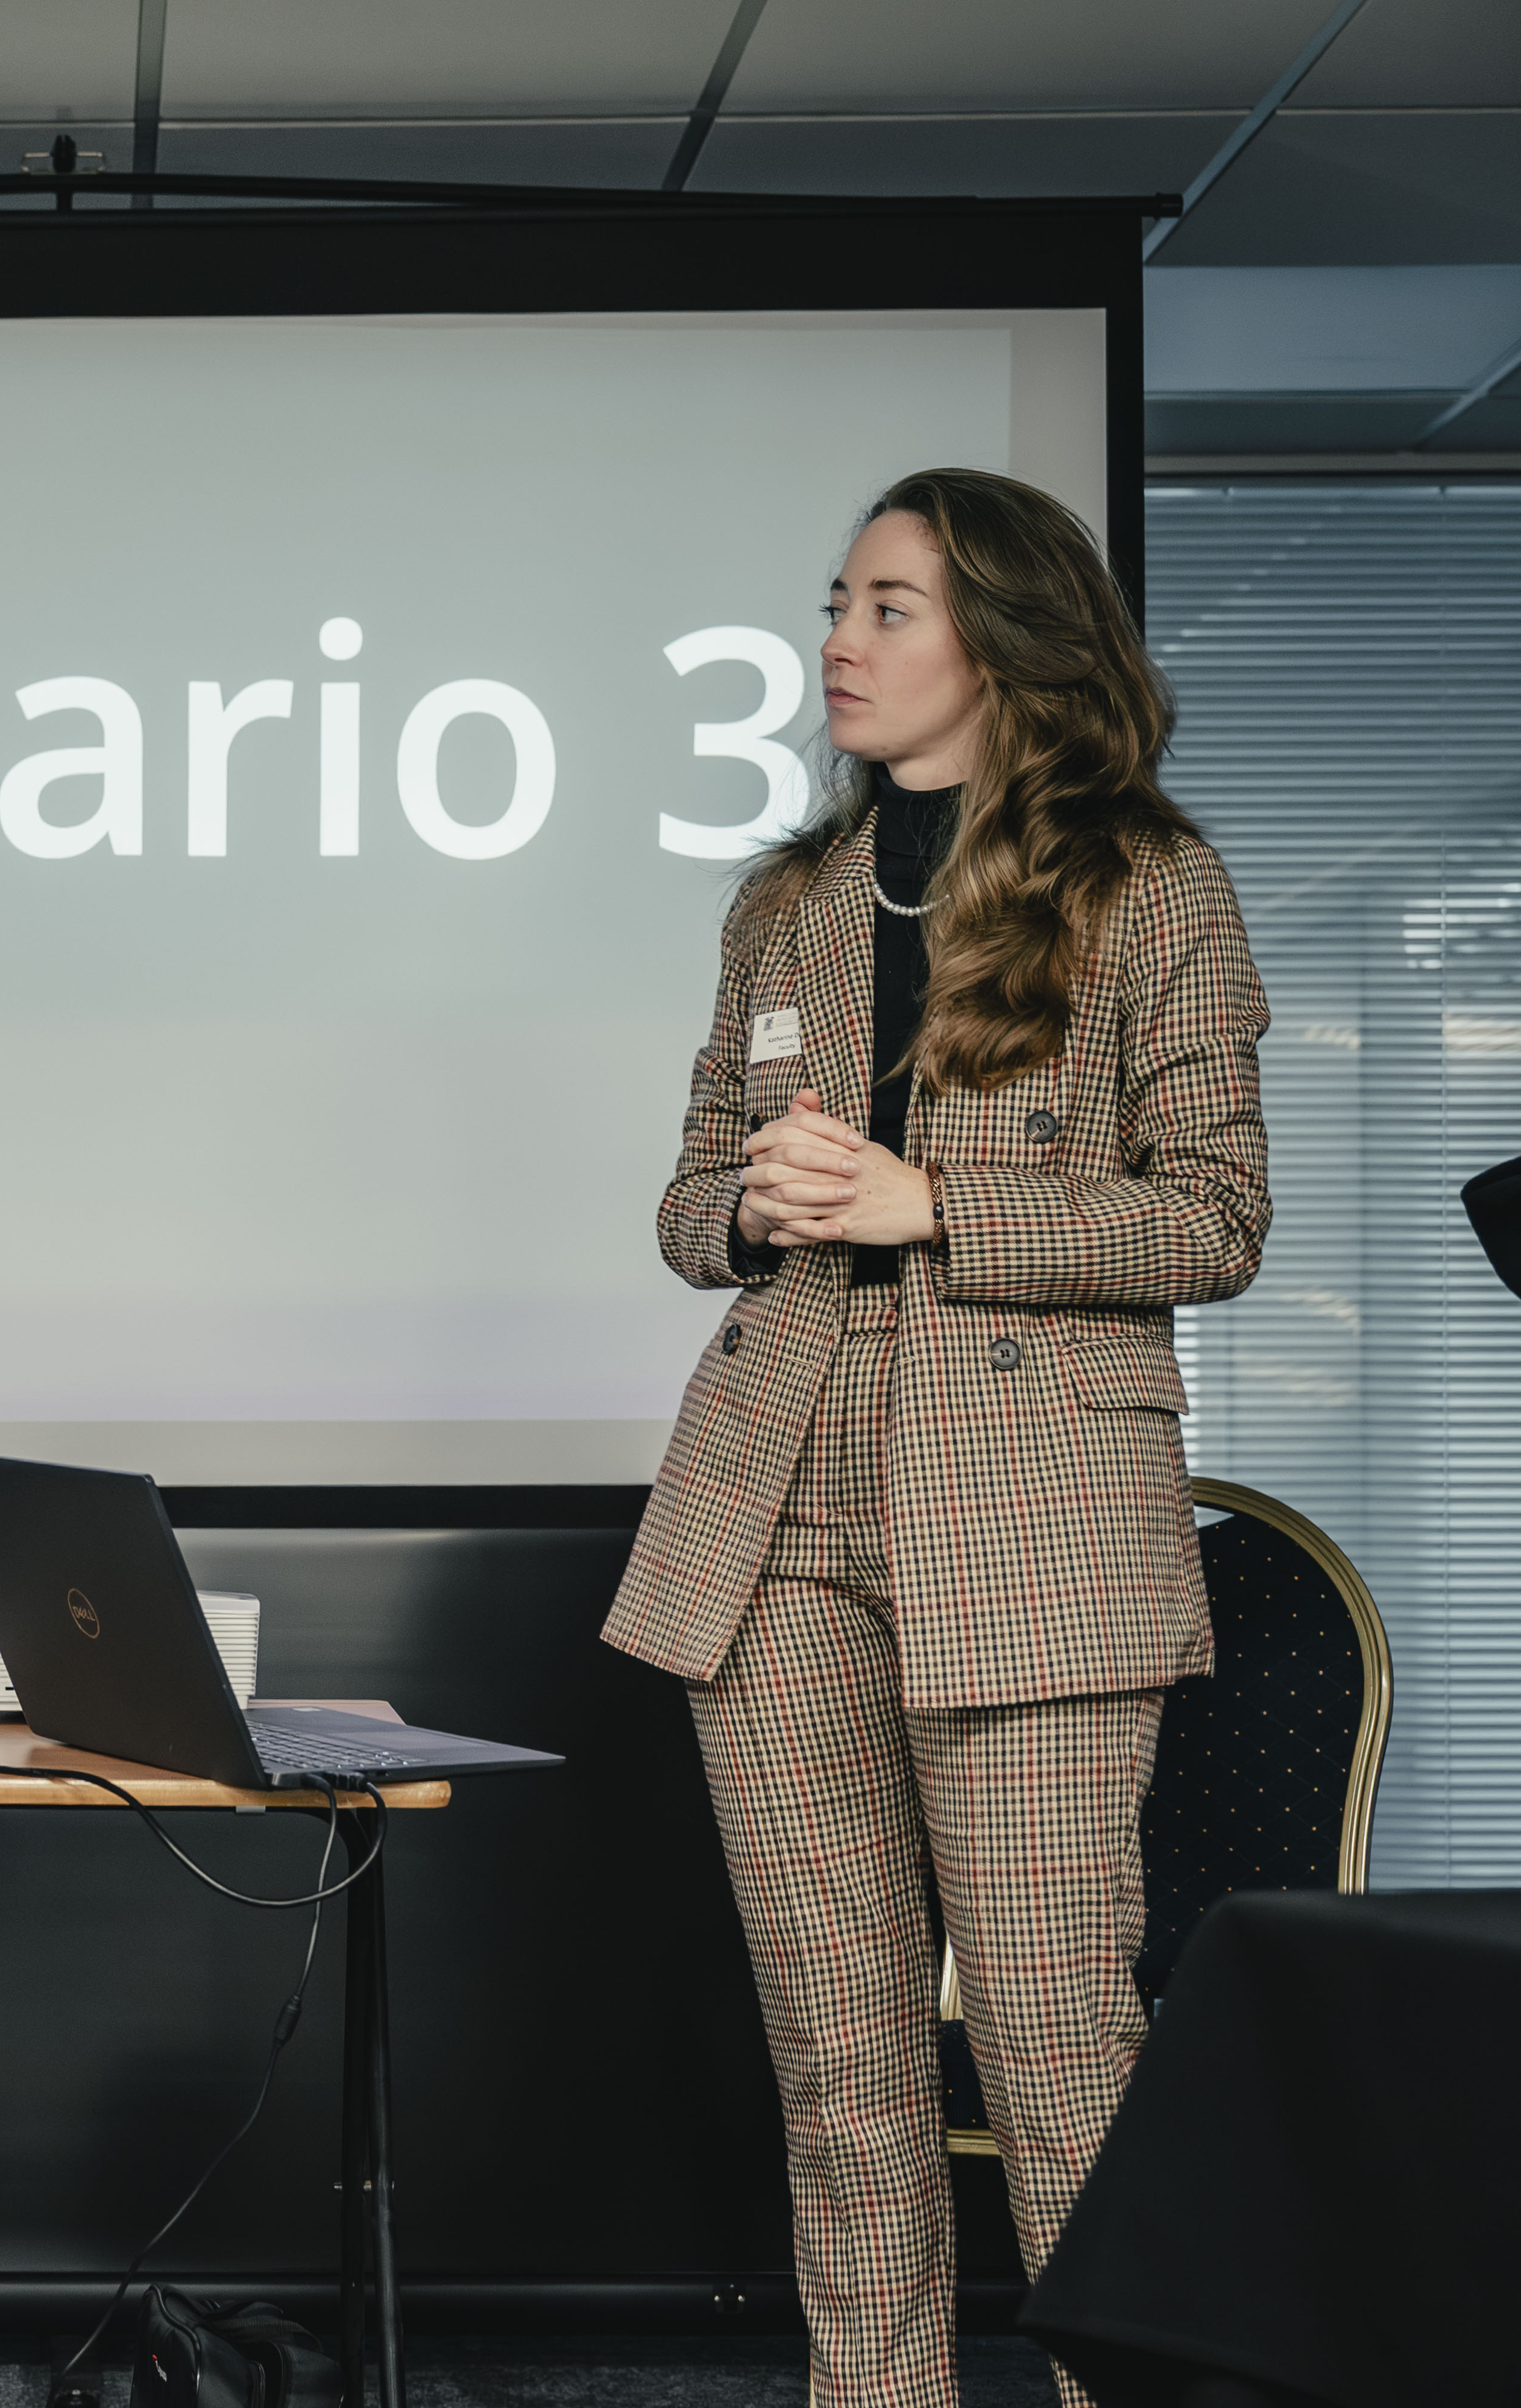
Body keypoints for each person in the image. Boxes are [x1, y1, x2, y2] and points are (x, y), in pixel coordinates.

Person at [603, 468, 1270, 2408]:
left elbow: (1218, 1221)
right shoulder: (789, 902)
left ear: (1010, 640)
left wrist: (937, 1208)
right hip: (778, 1511)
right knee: (841, 2058)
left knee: (1061, 2047)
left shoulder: (1151, 884)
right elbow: (680, 1209)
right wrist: (752, 1208)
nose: (839, 639)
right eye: (837, 599)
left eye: (890, 606)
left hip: (1037, 1520)